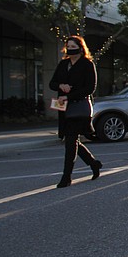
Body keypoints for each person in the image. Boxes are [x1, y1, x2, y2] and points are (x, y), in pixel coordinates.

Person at [49, 36, 102, 188]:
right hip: (62, 104)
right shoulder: (63, 64)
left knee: (71, 141)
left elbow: (90, 88)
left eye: (73, 45)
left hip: (79, 105)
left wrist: (70, 94)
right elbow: (51, 83)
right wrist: (61, 85)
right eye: (68, 46)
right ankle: (94, 164)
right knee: (71, 140)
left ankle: (66, 177)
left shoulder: (87, 64)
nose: (70, 48)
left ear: (80, 47)